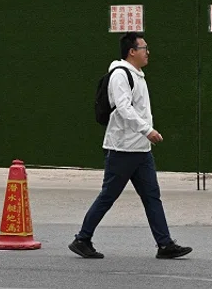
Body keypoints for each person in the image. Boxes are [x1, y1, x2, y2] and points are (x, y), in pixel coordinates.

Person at [69, 32, 192, 260]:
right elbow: (124, 108)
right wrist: (147, 130)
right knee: (108, 196)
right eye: (144, 48)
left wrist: (145, 136)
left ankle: (165, 244)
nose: (148, 52)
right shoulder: (120, 75)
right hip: (123, 149)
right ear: (132, 51)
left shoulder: (138, 74)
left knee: (152, 196)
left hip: (141, 150)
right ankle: (82, 239)